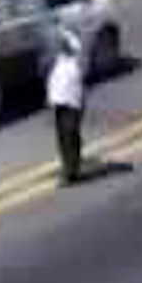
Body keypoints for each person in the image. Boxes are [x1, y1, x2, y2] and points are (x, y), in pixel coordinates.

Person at [47, 29, 87, 186]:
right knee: (63, 139)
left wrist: (65, 33)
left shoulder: (75, 60)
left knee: (70, 138)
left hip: (72, 105)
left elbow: (73, 42)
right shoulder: (60, 60)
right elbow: (54, 83)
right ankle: (70, 169)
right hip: (59, 104)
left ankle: (71, 173)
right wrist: (51, 104)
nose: (61, 47)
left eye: (63, 45)